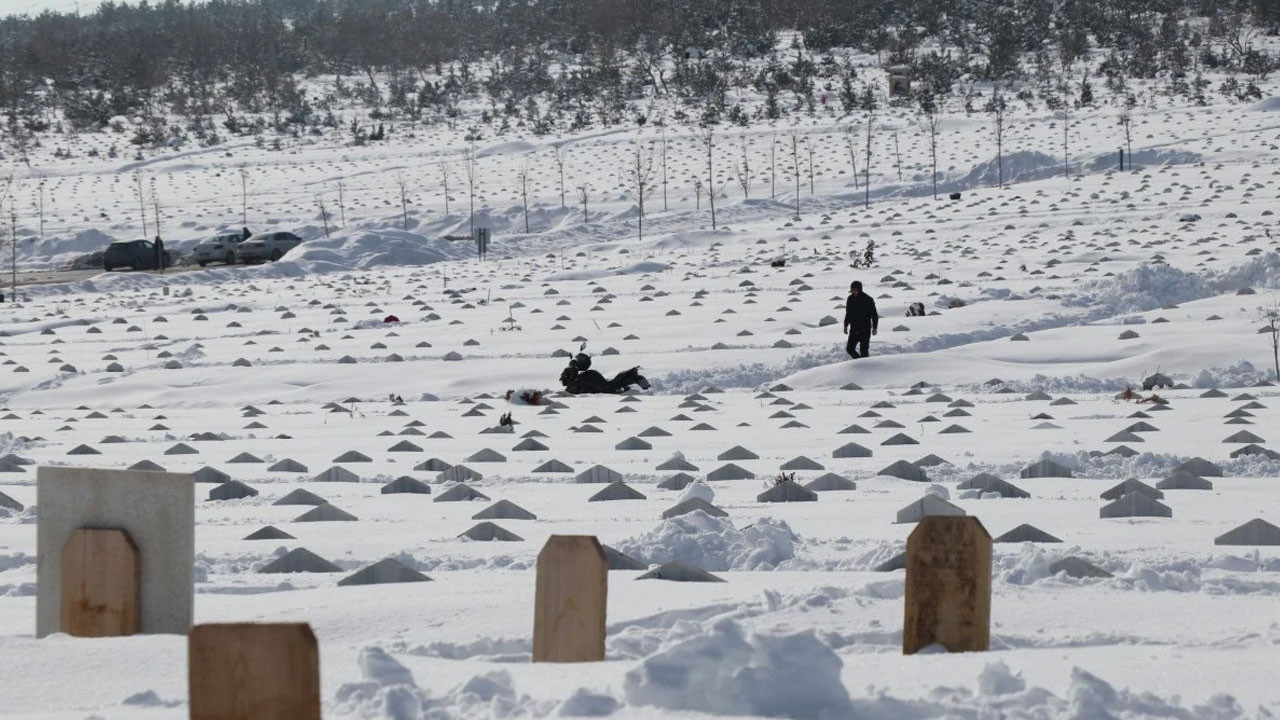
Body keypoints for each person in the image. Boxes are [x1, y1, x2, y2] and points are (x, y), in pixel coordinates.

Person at [843, 280, 879, 359]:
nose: (853, 292)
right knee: (849, 349)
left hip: (865, 329)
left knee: (864, 351)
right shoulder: (850, 299)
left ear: (860, 290)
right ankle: (860, 363)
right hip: (853, 329)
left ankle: (865, 368)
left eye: (855, 290)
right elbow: (848, 313)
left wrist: (875, 328)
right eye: (852, 291)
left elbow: (874, 315)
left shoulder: (868, 299)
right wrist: (845, 325)